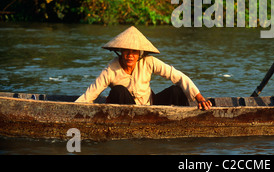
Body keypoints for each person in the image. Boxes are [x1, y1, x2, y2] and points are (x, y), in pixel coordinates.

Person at [75, 26, 212, 110]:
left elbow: (177, 76)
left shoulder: (148, 62)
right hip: (126, 111)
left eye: (134, 52)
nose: (130, 55)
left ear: (139, 53)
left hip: (151, 105)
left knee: (176, 90)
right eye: (126, 51)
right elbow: (91, 94)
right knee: (118, 90)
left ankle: (183, 123)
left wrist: (199, 97)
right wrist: (72, 109)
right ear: (120, 52)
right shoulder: (111, 69)